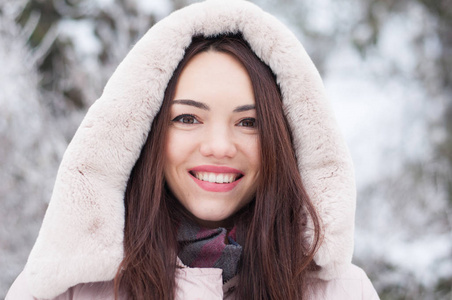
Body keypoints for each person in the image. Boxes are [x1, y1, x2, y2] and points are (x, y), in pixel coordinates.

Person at [6, 0, 379, 299]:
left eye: (249, 123)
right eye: (187, 118)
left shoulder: (345, 292)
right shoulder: (64, 291)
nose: (219, 147)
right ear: (145, 131)